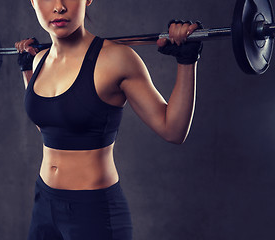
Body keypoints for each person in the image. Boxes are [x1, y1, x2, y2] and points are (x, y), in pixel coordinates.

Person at [15, 0, 202, 239]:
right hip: (44, 202)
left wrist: (187, 61)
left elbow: (173, 130)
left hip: (92, 210)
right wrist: (27, 69)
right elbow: (49, 124)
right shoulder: (39, 59)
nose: (59, 6)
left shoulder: (116, 59)